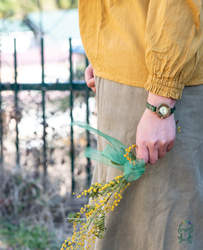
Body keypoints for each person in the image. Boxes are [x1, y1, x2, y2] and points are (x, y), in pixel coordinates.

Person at [79, 1, 203, 249]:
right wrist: (104, 52)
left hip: (152, 88)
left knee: (165, 225)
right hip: (126, 71)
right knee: (118, 226)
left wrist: (161, 104)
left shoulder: (160, 94)